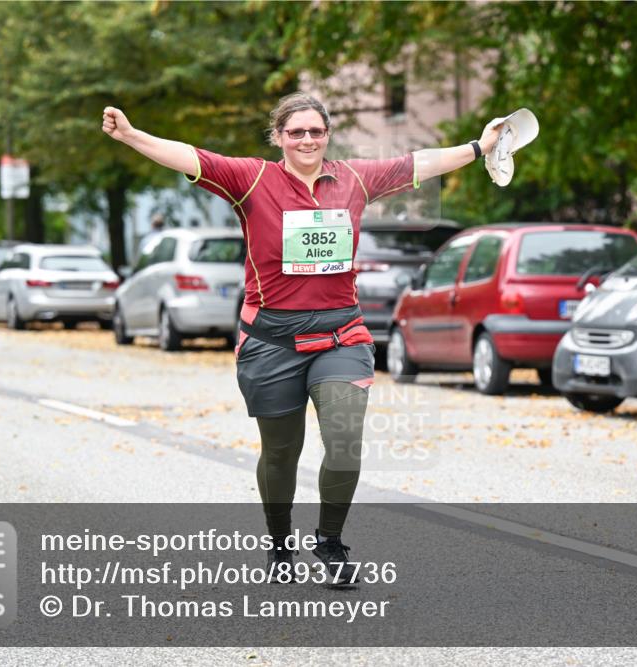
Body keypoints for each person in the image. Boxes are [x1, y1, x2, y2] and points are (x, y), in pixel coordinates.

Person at [102, 92, 501, 585]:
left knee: (344, 439)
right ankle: (278, 543)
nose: (307, 139)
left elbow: (416, 164)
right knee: (280, 452)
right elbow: (190, 155)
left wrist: (478, 148)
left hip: (341, 334)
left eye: (315, 131)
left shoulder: (354, 178)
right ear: (279, 138)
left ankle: (330, 542)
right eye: (296, 132)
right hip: (270, 340)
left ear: (327, 135)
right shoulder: (252, 179)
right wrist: (131, 134)